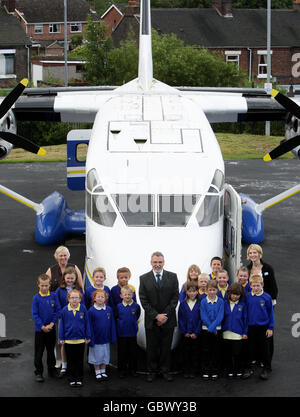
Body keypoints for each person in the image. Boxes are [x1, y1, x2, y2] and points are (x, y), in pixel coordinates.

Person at [139, 251, 179, 382]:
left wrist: (164, 316)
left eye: (160, 262)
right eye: (155, 262)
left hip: (168, 320)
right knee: (152, 347)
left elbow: (175, 298)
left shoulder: (173, 277)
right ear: (151, 262)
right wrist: (156, 316)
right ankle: (152, 371)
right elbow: (143, 300)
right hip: (152, 320)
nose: (157, 264)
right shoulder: (143, 278)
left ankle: (165, 370)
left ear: (164, 262)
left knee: (166, 347)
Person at [243, 275, 274, 380]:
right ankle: (249, 368)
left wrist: (270, 327)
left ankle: (267, 368)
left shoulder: (267, 297)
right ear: (250, 286)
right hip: (251, 327)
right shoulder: (247, 297)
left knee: (265, 349)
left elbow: (271, 313)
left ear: (262, 285)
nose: (255, 288)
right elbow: (246, 313)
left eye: (258, 285)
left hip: (263, 327)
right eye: (253, 286)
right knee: (249, 348)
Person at [59, 289, 91, 387]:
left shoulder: (83, 308)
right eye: (72, 298)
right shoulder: (64, 310)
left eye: (76, 298)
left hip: (80, 340)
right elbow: (61, 325)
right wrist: (61, 337)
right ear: (68, 299)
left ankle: (79, 378)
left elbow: (87, 323)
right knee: (71, 360)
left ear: (80, 299)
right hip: (69, 340)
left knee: (79, 360)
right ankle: (72, 378)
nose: (74, 300)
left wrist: (88, 336)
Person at [56, 266, 84, 377]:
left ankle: (74, 365)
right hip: (64, 319)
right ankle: (64, 365)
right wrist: (61, 315)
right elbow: (58, 305)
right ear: (64, 278)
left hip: (76, 319)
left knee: (75, 344)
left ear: (75, 278)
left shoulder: (79, 289)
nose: (70, 280)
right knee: (63, 343)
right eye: (68, 278)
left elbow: (83, 304)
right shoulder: (60, 290)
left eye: (72, 278)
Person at [32, 274, 59, 382]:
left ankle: (52, 370)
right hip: (40, 331)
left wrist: (52, 324)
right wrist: (42, 326)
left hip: (51, 329)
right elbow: (35, 314)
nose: (44, 288)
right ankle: (38, 372)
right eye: (42, 285)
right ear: (38, 285)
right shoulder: (36, 298)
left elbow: (58, 311)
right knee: (39, 352)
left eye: (46, 285)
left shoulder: (53, 296)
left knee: (51, 351)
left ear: (49, 285)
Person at [88, 289, 116, 381]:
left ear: (105, 298)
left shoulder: (109, 309)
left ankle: (103, 371)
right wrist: (90, 338)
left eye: (102, 297)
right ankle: (97, 372)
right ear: (94, 298)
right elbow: (89, 326)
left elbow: (112, 323)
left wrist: (112, 336)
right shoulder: (91, 311)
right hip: (96, 338)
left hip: (105, 338)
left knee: (104, 355)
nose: (100, 298)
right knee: (96, 356)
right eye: (98, 296)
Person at [222, 283, 248, 378]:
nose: (234, 296)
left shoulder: (243, 305)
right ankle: (229, 370)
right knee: (227, 354)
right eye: (233, 294)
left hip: (238, 335)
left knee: (237, 354)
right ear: (229, 293)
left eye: (237, 295)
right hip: (226, 334)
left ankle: (238, 369)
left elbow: (245, 320)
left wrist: (245, 332)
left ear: (240, 295)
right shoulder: (224, 304)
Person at [200, 280, 224, 380]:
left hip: (217, 330)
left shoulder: (220, 301)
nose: (212, 292)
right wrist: (210, 328)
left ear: (217, 290)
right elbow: (203, 316)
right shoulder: (203, 301)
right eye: (210, 290)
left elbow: (220, 316)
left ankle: (214, 371)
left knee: (215, 351)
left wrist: (213, 327)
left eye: (214, 290)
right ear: (206, 290)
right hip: (206, 330)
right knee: (206, 350)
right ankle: (206, 370)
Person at [116, 285, 141, 378]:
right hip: (122, 333)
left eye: (129, 294)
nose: (127, 296)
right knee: (122, 353)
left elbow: (137, 316)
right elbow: (117, 317)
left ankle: (133, 369)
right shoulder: (118, 306)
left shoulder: (136, 306)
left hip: (132, 333)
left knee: (133, 353)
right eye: (125, 294)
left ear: (133, 295)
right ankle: (122, 370)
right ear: (121, 296)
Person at [178, 282, 201, 378]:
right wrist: (184, 332)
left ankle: (194, 370)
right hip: (186, 334)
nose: (192, 293)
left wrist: (196, 332)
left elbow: (201, 319)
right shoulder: (183, 304)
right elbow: (180, 319)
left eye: (194, 291)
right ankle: (186, 370)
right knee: (186, 352)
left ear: (197, 292)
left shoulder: (200, 303)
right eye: (190, 291)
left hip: (196, 334)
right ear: (186, 292)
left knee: (195, 352)